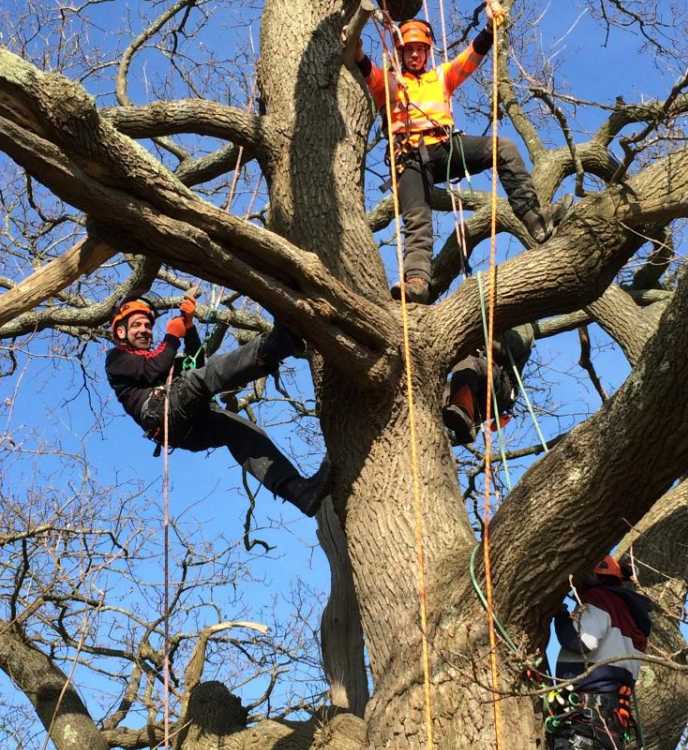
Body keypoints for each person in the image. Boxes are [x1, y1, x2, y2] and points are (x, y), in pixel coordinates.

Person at [355, 2, 569, 304]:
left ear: (427, 51)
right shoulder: (390, 83)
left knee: (503, 148)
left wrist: (491, 26)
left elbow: (471, 57)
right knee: (417, 218)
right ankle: (417, 281)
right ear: (401, 53)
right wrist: (355, 46)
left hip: (444, 148)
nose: (415, 54)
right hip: (410, 159)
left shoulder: (440, 77)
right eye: (409, 50)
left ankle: (533, 217)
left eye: (420, 49)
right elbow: (366, 68)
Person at [105, 293, 330, 517]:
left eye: (146, 325)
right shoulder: (117, 358)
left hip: (188, 423)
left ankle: (299, 492)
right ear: (122, 332)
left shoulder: (159, 356)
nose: (144, 329)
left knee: (241, 431)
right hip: (160, 413)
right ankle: (278, 343)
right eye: (137, 325)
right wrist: (172, 336)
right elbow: (154, 369)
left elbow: (197, 362)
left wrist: (189, 326)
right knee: (199, 378)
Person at [550, 556, 652, 749]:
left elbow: (581, 641)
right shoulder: (632, 618)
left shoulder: (601, 598)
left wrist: (561, 617)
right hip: (613, 716)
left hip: (591, 712)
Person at [442, 324, 533, 445]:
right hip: (477, 384)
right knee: (445, 388)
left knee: (468, 364)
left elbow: (506, 347)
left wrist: (478, 331)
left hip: (500, 388)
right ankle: (462, 425)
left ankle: (463, 412)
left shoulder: (525, 326)